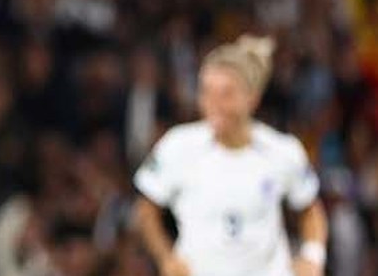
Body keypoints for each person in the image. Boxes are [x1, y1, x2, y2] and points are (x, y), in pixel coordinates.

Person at [132, 36, 329, 276]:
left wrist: (312, 257)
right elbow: (146, 209)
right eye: (206, 92)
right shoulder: (178, 146)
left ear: (252, 98)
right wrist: (166, 258)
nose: (214, 104)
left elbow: (310, 209)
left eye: (226, 94)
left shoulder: (282, 151)